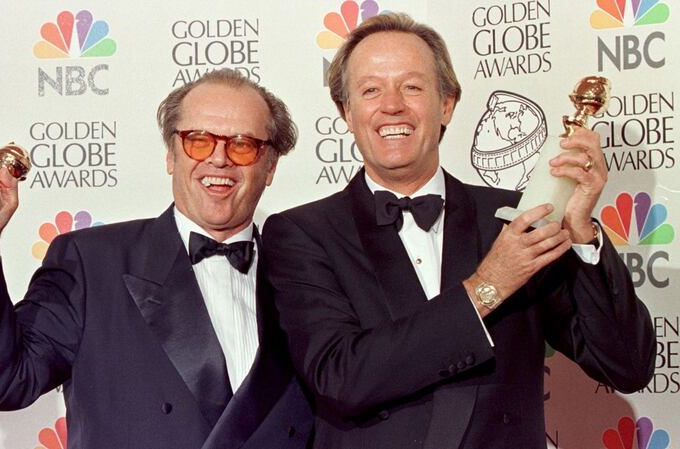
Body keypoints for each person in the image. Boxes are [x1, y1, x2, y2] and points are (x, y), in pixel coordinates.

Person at [261, 13, 655, 449]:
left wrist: (581, 230)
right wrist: (488, 286)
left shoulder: (515, 217)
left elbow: (627, 366)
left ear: (446, 103)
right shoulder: (301, 233)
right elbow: (341, 377)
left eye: (412, 87)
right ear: (347, 112)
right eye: (371, 90)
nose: (392, 105)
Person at [0, 69, 312, 449]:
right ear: (171, 156)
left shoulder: (307, 272)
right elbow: (2, 382)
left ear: (271, 166)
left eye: (242, 145)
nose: (219, 159)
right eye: (198, 141)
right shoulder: (90, 261)